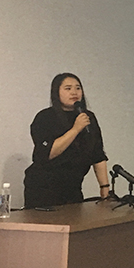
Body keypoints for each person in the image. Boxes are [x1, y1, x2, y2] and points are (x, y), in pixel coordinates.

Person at [24, 73, 109, 208]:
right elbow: (47, 153)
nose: (74, 92)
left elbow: (97, 154)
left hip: (74, 186)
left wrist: (104, 187)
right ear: (56, 92)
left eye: (78, 88)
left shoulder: (88, 117)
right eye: (68, 88)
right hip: (44, 188)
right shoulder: (45, 117)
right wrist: (76, 129)